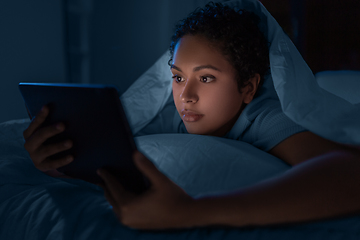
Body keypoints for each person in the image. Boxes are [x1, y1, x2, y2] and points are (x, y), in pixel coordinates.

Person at [23, 2, 360, 230]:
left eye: (207, 77)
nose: (186, 95)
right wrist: (55, 158)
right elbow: (105, 154)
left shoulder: (265, 116)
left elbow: (349, 175)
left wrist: (191, 212)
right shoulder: (176, 113)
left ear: (248, 87)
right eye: (178, 76)